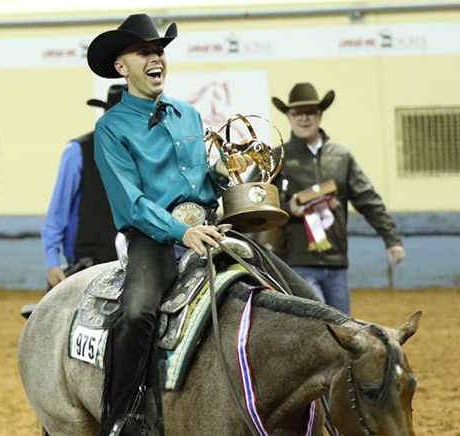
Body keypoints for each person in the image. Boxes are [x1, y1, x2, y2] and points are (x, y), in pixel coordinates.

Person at [87, 14, 253, 436]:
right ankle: (122, 418)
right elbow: (132, 202)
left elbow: (204, 182)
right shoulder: (110, 128)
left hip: (211, 228)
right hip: (154, 239)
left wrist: (223, 170)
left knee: (270, 284)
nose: (155, 57)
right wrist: (182, 232)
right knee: (137, 312)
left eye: (159, 50)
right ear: (122, 68)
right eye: (144, 51)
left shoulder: (188, 114)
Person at [259, 82, 405, 314]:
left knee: (343, 330)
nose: (304, 118)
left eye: (310, 112)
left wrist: (392, 238)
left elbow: (368, 200)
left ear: (320, 114)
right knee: (316, 328)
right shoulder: (277, 158)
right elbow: (257, 201)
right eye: (297, 113)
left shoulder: (341, 157)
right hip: (296, 263)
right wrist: (289, 207)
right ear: (288, 116)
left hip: (336, 263)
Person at [41, 85, 125, 289]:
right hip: (87, 262)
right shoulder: (79, 151)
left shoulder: (141, 154)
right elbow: (58, 209)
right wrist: (52, 261)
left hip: (127, 259)